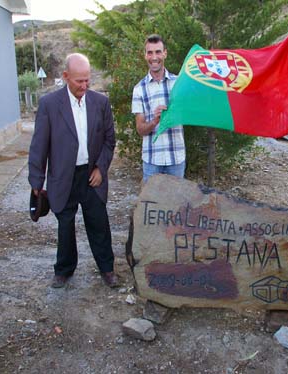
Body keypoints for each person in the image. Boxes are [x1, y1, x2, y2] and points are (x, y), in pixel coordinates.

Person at [28, 53, 118, 289]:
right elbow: (39, 145)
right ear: (66, 76)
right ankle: (64, 270)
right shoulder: (49, 104)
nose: (84, 86)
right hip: (63, 177)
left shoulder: (100, 102)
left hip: (91, 177)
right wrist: (36, 181)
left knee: (99, 224)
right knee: (65, 226)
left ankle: (107, 268)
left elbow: (110, 140)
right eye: (79, 81)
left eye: (87, 80)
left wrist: (101, 168)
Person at [131, 34, 186, 183]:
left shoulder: (179, 84)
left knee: (176, 204)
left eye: (158, 52)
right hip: (152, 161)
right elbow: (140, 129)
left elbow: (189, 115)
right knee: (151, 205)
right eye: (150, 52)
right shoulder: (138, 89)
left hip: (176, 158)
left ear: (165, 53)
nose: (154, 57)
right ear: (145, 56)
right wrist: (155, 121)